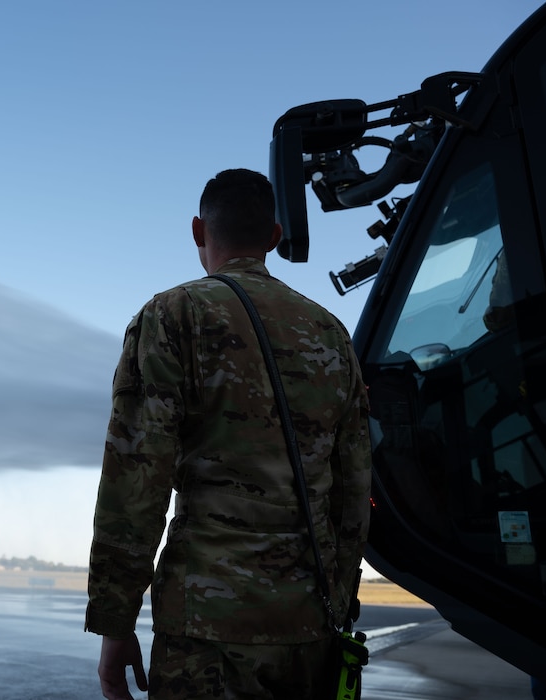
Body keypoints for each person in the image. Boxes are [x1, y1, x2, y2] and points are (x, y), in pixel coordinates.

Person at [84, 168, 372, 699]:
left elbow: (135, 477)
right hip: (310, 627)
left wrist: (115, 621)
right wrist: (338, 600)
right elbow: (355, 488)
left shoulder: (174, 315)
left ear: (198, 231)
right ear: (274, 239)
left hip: (209, 631)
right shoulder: (330, 331)